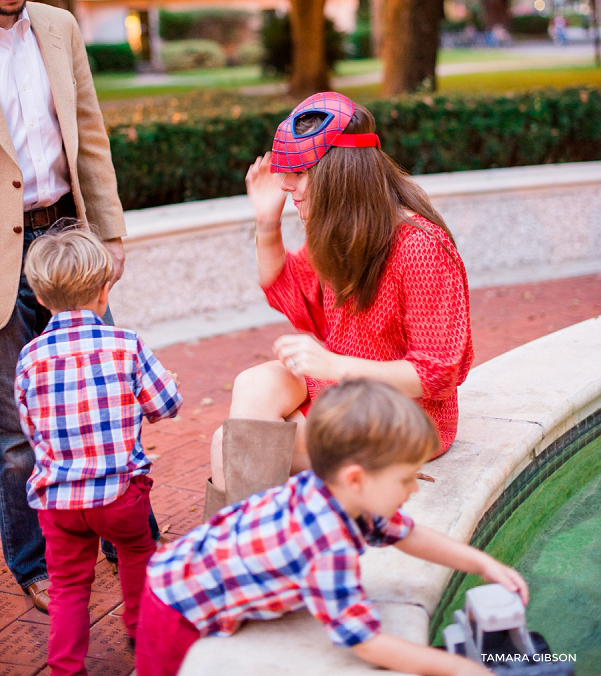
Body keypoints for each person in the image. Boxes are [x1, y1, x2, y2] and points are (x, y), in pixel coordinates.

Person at [137, 380, 527, 676]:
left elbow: (410, 534)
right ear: (357, 478)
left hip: (182, 570)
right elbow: (366, 643)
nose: (413, 488)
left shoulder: (336, 492)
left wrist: (482, 564)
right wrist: (462, 668)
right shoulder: (327, 542)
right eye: (407, 477)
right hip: (177, 609)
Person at [206, 92, 473, 515]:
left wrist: (332, 366)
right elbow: (290, 294)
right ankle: (251, 547)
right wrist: (266, 221)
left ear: (340, 173)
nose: (285, 183)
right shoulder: (341, 231)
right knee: (252, 387)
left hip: (401, 415)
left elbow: (437, 373)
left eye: (299, 171)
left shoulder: (419, 247)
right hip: (344, 395)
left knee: (229, 447)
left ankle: (246, 554)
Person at [0, 0, 127, 611]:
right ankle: (33, 559)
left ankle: (118, 529)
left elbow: (90, 134)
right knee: (18, 426)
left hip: (69, 236)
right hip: (0, 255)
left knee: (100, 392)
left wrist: (107, 234)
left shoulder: (59, 27)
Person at [15, 228, 183, 676]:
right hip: (119, 496)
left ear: (42, 299)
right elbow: (165, 405)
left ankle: (66, 666)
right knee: (136, 555)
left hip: (59, 503)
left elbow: (29, 427)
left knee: (69, 586)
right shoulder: (125, 345)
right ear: (105, 290)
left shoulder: (30, 357)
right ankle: (141, 632)